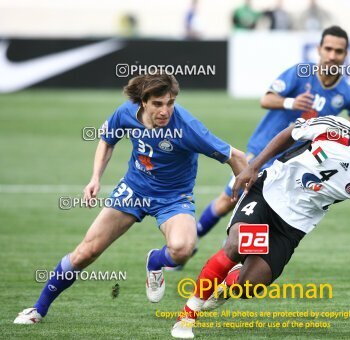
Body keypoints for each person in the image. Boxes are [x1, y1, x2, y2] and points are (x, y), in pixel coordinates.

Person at [13, 73, 247, 324]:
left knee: (182, 250)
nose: (165, 110)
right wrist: (95, 178)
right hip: (133, 191)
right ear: (143, 102)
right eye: (158, 104)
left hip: (174, 198)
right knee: (86, 252)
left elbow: (237, 157)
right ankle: (38, 309)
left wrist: (244, 201)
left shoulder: (187, 127)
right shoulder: (126, 112)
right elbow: (107, 140)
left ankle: (155, 262)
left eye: (170, 103)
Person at [171, 109, 350, 339]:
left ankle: (227, 285)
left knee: (249, 286)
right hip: (267, 194)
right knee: (238, 243)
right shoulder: (333, 128)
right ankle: (187, 317)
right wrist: (254, 166)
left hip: (293, 227)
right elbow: (290, 134)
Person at [196, 25, 350, 241]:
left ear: (345, 54)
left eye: (338, 51)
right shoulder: (300, 73)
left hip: (293, 162)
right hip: (262, 151)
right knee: (227, 202)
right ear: (319, 49)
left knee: (265, 212)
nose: (332, 56)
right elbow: (266, 99)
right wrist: (291, 102)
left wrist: (345, 137)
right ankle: (191, 243)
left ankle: (233, 252)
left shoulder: (348, 93)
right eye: (328, 49)